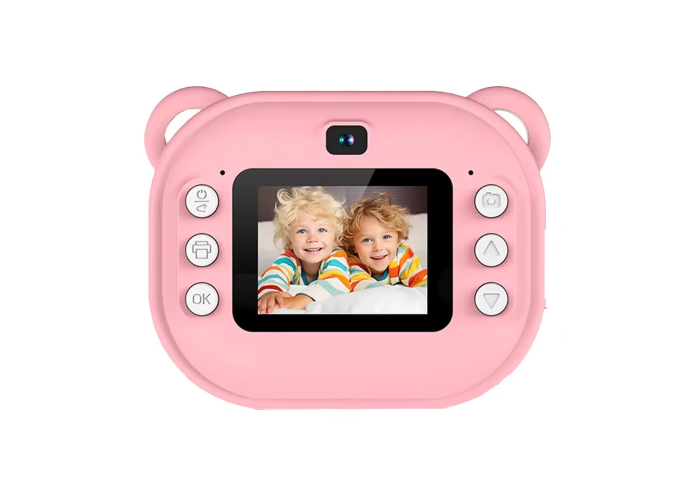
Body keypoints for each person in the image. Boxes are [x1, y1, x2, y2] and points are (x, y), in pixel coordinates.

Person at [258, 186, 350, 314]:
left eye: (321, 230)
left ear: (335, 239)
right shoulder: (289, 259)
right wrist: (270, 292)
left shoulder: (336, 257)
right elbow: (274, 274)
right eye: (302, 231)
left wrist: (301, 300)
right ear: (290, 241)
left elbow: (337, 281)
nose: (312, 238)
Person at [342, 192, 427, 291]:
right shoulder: (354, 263)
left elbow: (423, 281)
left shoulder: (403, 257)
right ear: (354, 246)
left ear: (399, 239)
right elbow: (362, 286)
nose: (378, 247)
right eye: (367, 240)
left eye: (386, 237)